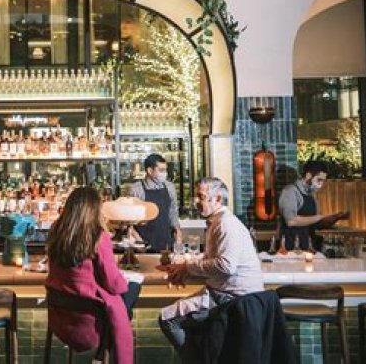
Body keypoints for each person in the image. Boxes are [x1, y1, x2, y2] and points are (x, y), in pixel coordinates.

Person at [158, 177, 264, 362]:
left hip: (233, 300)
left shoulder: (226, 224)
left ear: (218, 199)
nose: (195, 201)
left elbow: (226, 265)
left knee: (167, 319)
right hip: (230, 296)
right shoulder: (219, 221)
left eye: (201, 196)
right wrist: (184, 268)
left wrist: (188, 267)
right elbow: (213, 260)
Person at [45, 187, 142, 364]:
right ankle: (102, 354)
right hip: (91, 324)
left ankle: (102, 353)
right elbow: (114, 283)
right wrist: (125, 280)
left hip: (61, 319)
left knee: (122, 308)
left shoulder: (56, 231)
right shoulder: (98, 236)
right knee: (132, 289)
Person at [278, 160, 349, 251]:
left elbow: (317, 222)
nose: (321, 184)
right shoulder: (290, 192)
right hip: (290, 248)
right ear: (308, 175)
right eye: (319, 180)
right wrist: (320, 217)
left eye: (323, 181)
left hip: (309, 247)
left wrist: (336, 217)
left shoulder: (312, 194)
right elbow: (291, 221)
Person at [127, 153, 181, 252]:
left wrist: (178, 234)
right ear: (150, 171)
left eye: (165, 170)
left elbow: (173, 212)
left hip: (166, 242)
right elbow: (128, 220)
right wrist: (139, 241)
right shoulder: (136, 189)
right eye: (161, 170)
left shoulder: (170, 187)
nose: (165, 173)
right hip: (143, 242)